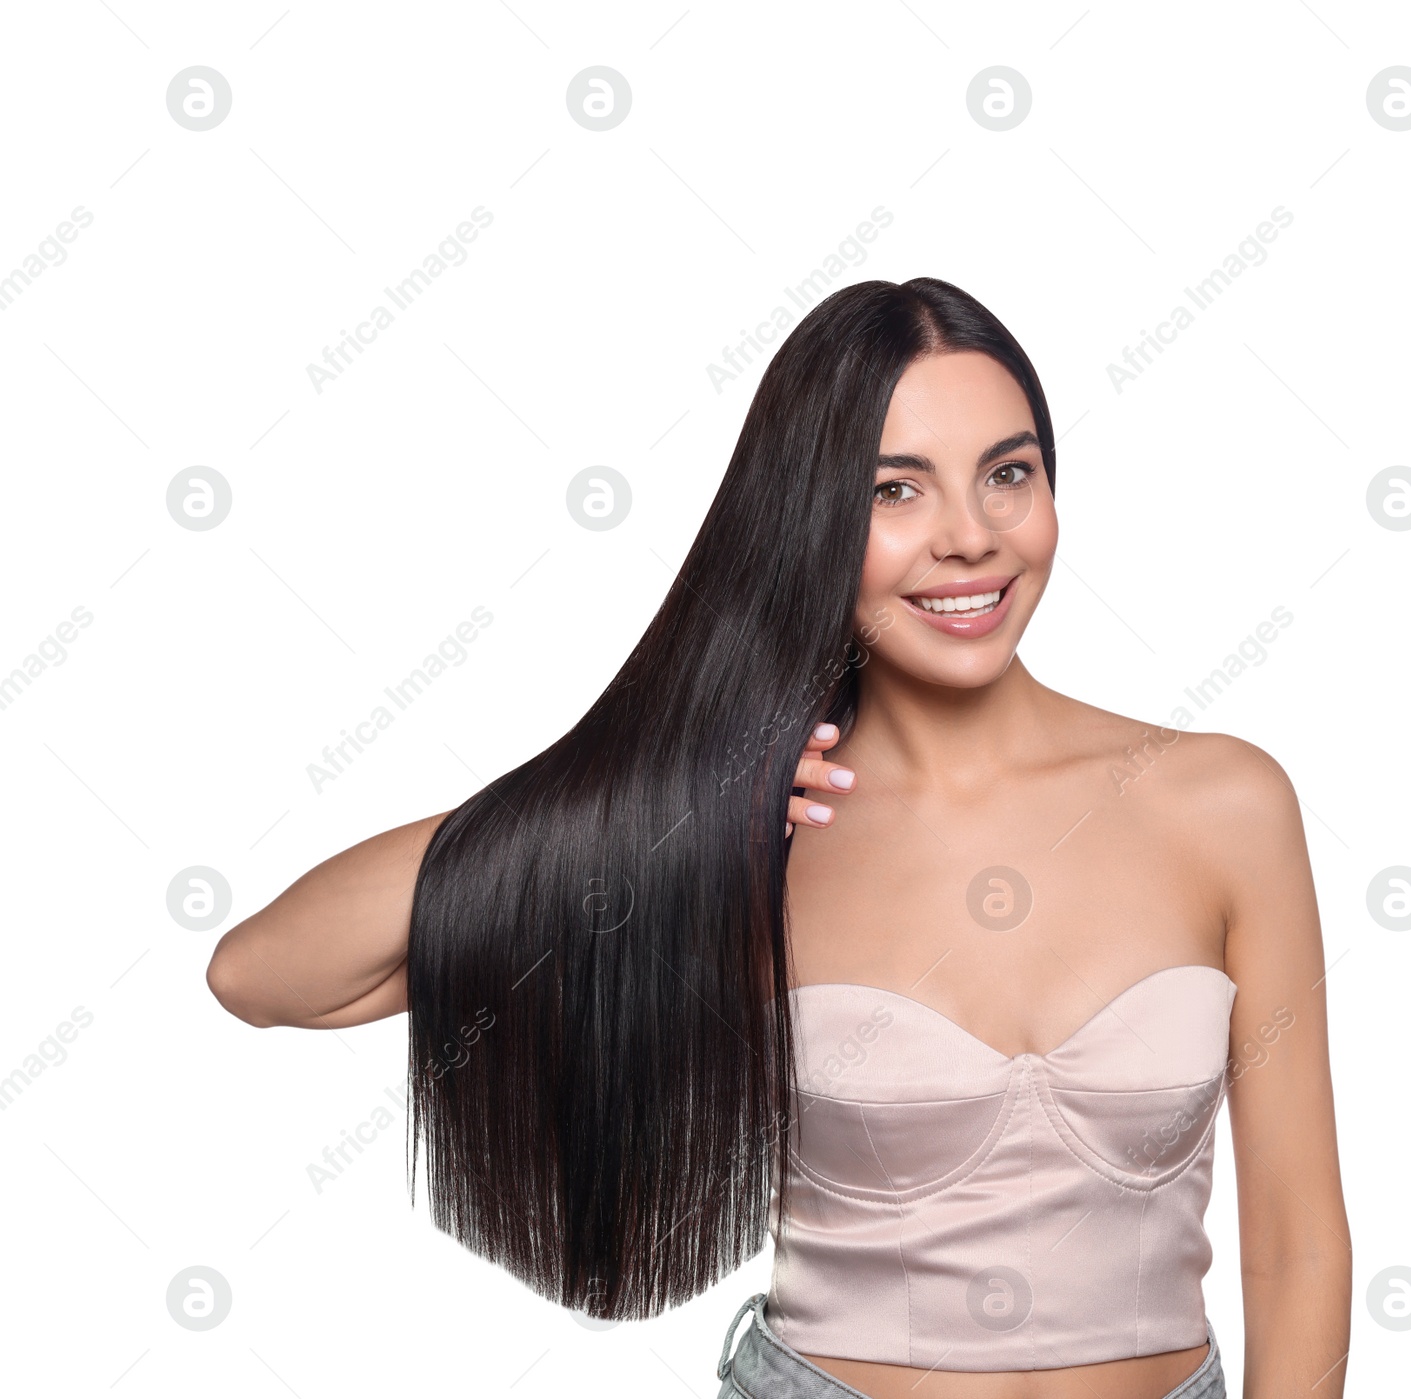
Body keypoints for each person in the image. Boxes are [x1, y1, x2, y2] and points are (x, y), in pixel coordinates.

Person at [207, 278, 1350, 1399]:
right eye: (895, 491)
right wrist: (658, 798)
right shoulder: (746, 838)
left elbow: (1297, 1243)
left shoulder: (1221, 803)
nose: (969, 537)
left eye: (1008, 474)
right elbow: (263, 973)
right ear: (807, 519)